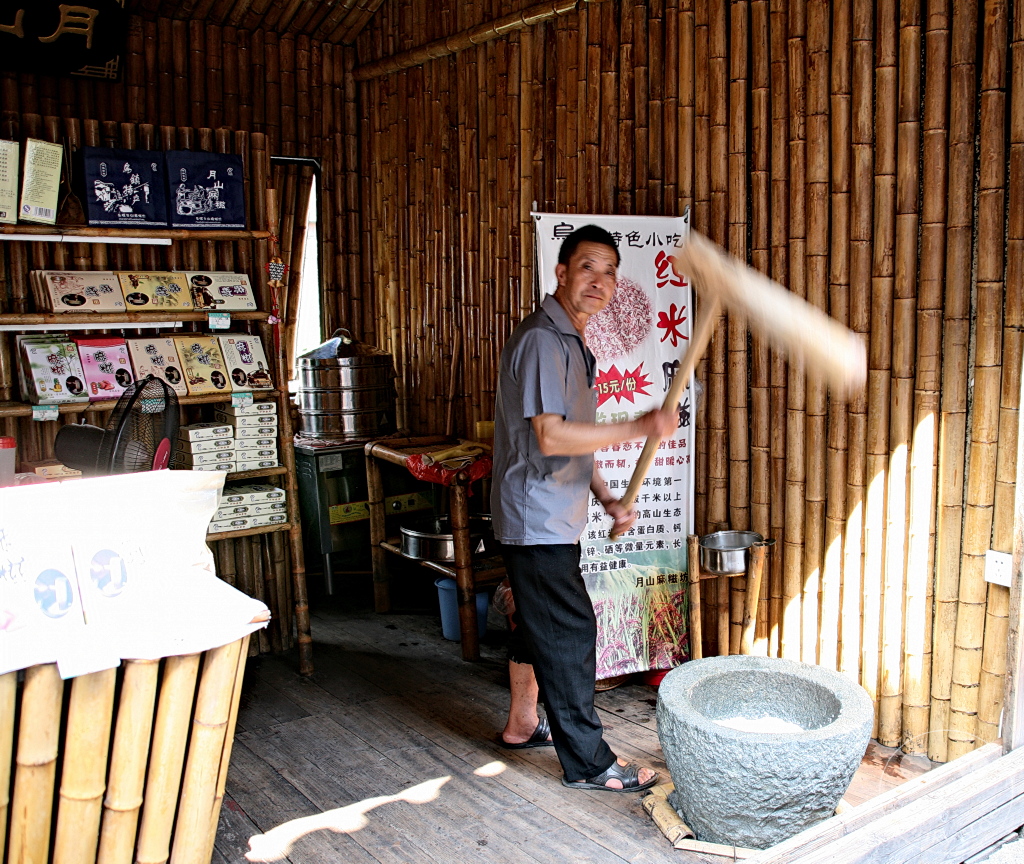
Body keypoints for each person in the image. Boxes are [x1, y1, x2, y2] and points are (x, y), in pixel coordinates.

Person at [491, 224, 677, 792]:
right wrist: (641, 426)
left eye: (610, 271)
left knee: (539, 623)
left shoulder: (572, 342)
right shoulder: (545, 340)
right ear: (562, 273)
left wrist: (606, 497)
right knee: (571, 630)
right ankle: (590, 763)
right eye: (588, 267)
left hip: (553, 514)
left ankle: (523, 724)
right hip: (536, 518)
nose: (600, 281)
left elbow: (575, 438)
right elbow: (550, 436)